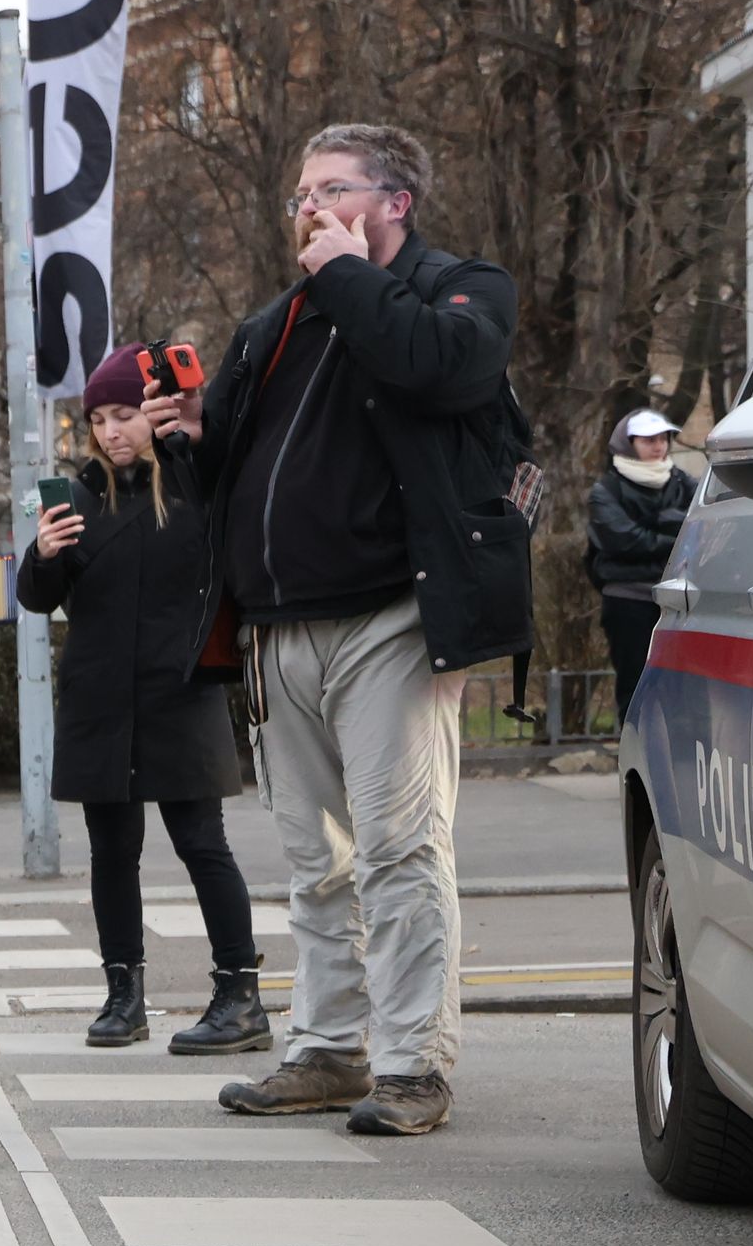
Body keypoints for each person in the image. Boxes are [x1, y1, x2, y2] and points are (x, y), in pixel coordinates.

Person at [178, 122, 529, 1137]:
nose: (308, 208)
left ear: (393, 202)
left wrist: (345, 275)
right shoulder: (275, 324)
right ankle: (326, 1050)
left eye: (332, 190)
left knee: (398, 847)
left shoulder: (457, 289)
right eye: (300, 195)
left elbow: (442, 368)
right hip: (280, 627)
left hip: (391, 615)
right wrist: (193, 436)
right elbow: (231, 474)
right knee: (315, 861)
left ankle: (412, 1063)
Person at [23, 345, 271, 1055]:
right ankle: (123, 995)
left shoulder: (194, 480)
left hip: (179, 690)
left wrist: (186, 431)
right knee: (111, 851)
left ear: (150, 411)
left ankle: (238, 993)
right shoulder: (79, 496)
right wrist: (42, 554)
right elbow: (39, 599)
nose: (110, 431)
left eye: (124, 414)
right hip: (100, 696)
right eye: (98, 417)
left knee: (202, 843)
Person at [587, 407, 695, 720]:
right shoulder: (605, 491)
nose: (658, 445)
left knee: (682, 689)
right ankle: (634, 759)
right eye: (648, 440)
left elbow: (701, 527)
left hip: (680, 600)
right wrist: (673, 533)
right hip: (629, 601)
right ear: (628, 443)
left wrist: (656, 525)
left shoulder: (683, 482)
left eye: (662, 438)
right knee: (635, 686)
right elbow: (624, 541)